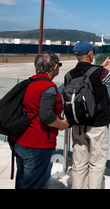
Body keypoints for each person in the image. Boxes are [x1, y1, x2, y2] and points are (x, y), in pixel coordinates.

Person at [66, 41, 110, 189]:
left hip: (77, 124)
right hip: (97, 124)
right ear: (90, 54)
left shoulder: (69, 75)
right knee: (96, 164)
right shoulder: (100, 73)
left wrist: (100, 67)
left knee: (78, 163)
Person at [13, 50, 69, 189]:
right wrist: (61, 124)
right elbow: (46, 116)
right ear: (55, 67)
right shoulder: (48, 87)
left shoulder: (28, 83)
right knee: (35, 183)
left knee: (23, 180)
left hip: (20, 140)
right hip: (38, 143)